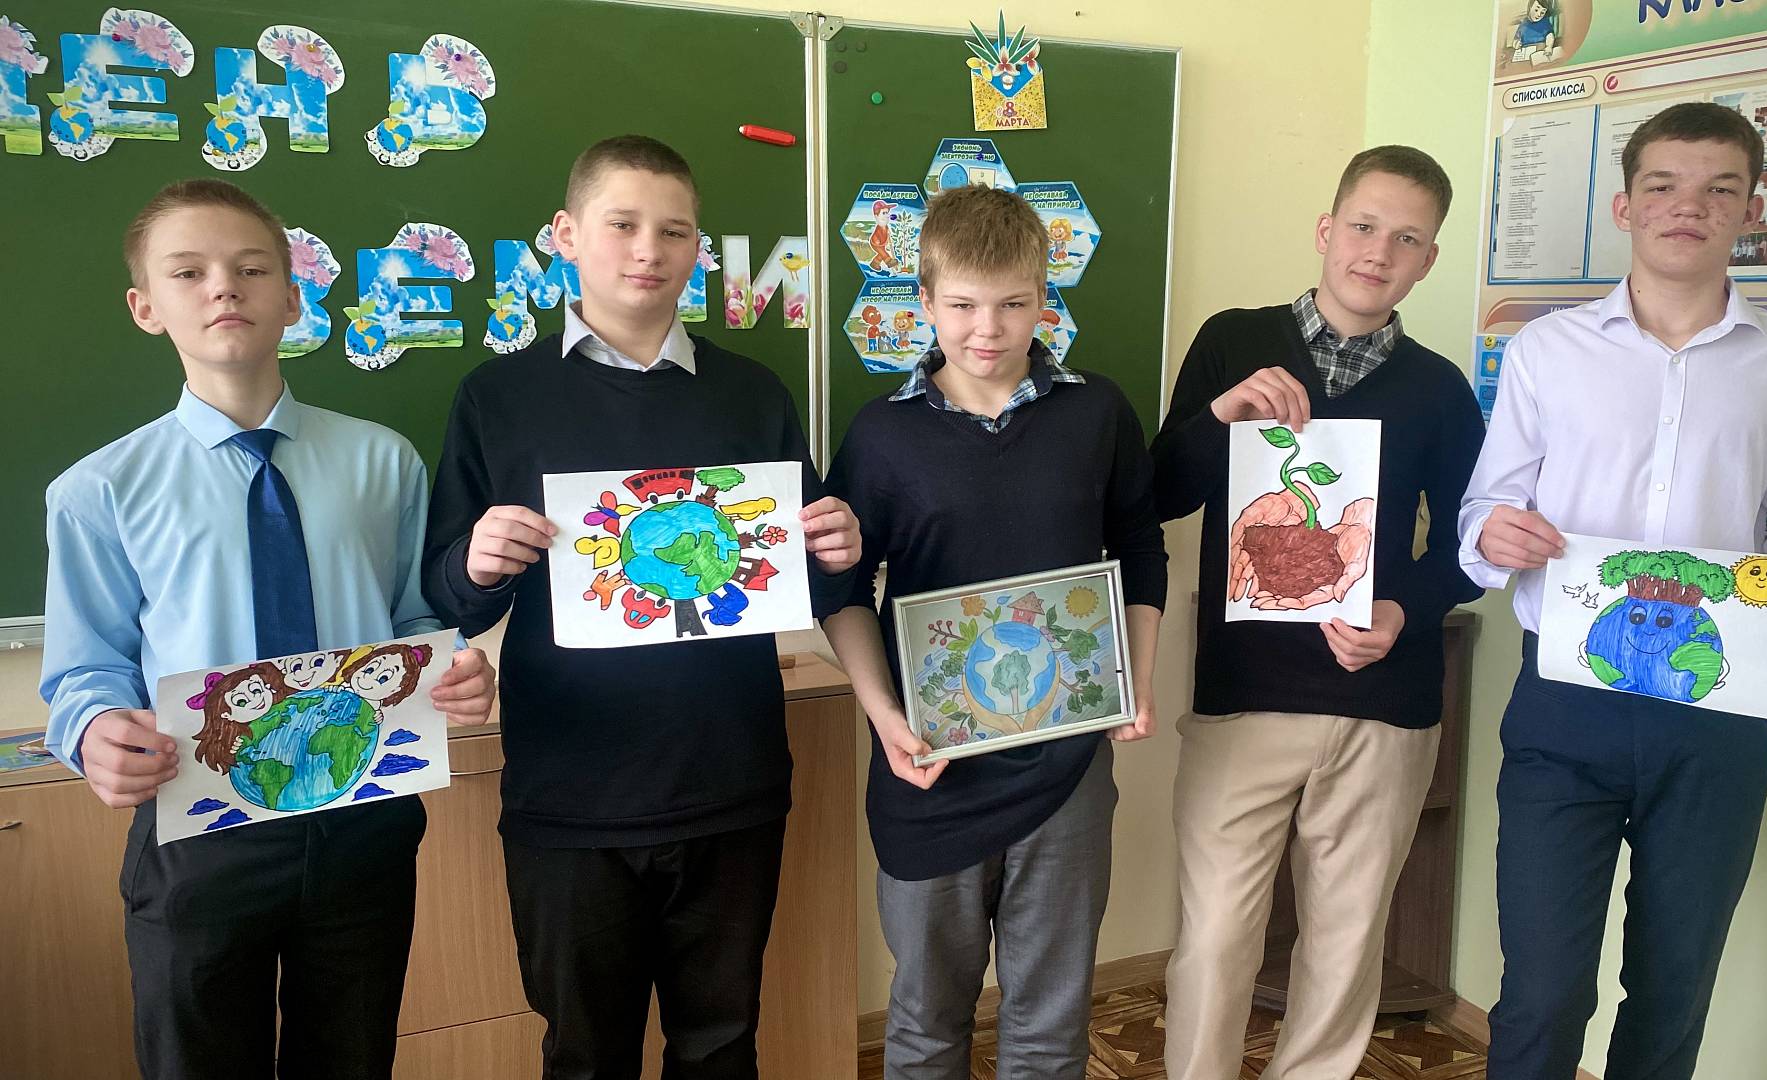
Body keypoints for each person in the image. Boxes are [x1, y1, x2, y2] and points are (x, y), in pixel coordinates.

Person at [1459, 102, 1767, 1079]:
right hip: (1565, 703)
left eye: (1718, 188)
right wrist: (1493, 533)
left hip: (1718, 704)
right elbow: (1489, 506)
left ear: (1751, 211)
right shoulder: (1548, 349)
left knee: (1673, 984)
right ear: (1626, 205)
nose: (1688, 206)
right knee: (1543, 990)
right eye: (1663, 185)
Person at [422, 135, 862, 1080]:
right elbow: (443, 590)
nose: (648, 250)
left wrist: (838, 546)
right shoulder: (497, 397)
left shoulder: (751, 393)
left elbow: (814, 577)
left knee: (721, 1045)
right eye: (622, 224)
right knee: (585, 1054)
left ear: (698, 247)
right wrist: (478, 562)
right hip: (569, 795)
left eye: (675, 231)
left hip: (729, 782)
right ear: (566, 234)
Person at [40, 177, 497, 1079]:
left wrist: (455, 671)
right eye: (189, 272)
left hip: (362, 814)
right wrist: (91, 730)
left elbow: (412, 622)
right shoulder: (99, 491)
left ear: (292, 298)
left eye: (251, 269)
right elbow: (86, 669)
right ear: (145, 307)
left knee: (352, 1056)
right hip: (198, 827)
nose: (224, 287)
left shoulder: (384, 461)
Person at [1151, 145, 1485, 1080]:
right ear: (1327, 230)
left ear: (1428, 260)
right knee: (1214, 936)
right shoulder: (1233, 341)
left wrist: (1404, 611)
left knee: (1345, 943)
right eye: (1365, 226)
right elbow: (1157, 495)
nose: (1379, 251)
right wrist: (1220, 419)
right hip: (1245, 695)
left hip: (1382, 700)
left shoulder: (1440, 389)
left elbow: (1471, 545)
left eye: (1407, 239)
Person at [821, 183, 1166, 1079]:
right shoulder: (882, 434)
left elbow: (1140, 551)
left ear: (1044, 299)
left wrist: (1135, 679)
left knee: (1048, 1021)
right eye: (964, 305)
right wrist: (884, 718)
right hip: (929, 767)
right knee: (926, 1018)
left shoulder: (1096, 414)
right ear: (925, 301)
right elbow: (843, 591)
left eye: (1013, 304)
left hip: (1065, 765)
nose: (988, 329)